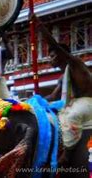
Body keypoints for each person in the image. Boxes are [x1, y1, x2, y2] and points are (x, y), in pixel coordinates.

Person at [31, 14, 92, 176]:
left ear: (61, 54)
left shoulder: (75, 64)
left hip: (86, 104)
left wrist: (40, 28)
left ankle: (67, 156)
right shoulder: (62, 77)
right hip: (73, 106)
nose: (50, 59)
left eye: (52, 55)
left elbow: (55, 46)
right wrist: (32, 103)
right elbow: (52, 97)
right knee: (51, 117)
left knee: (71, 114)